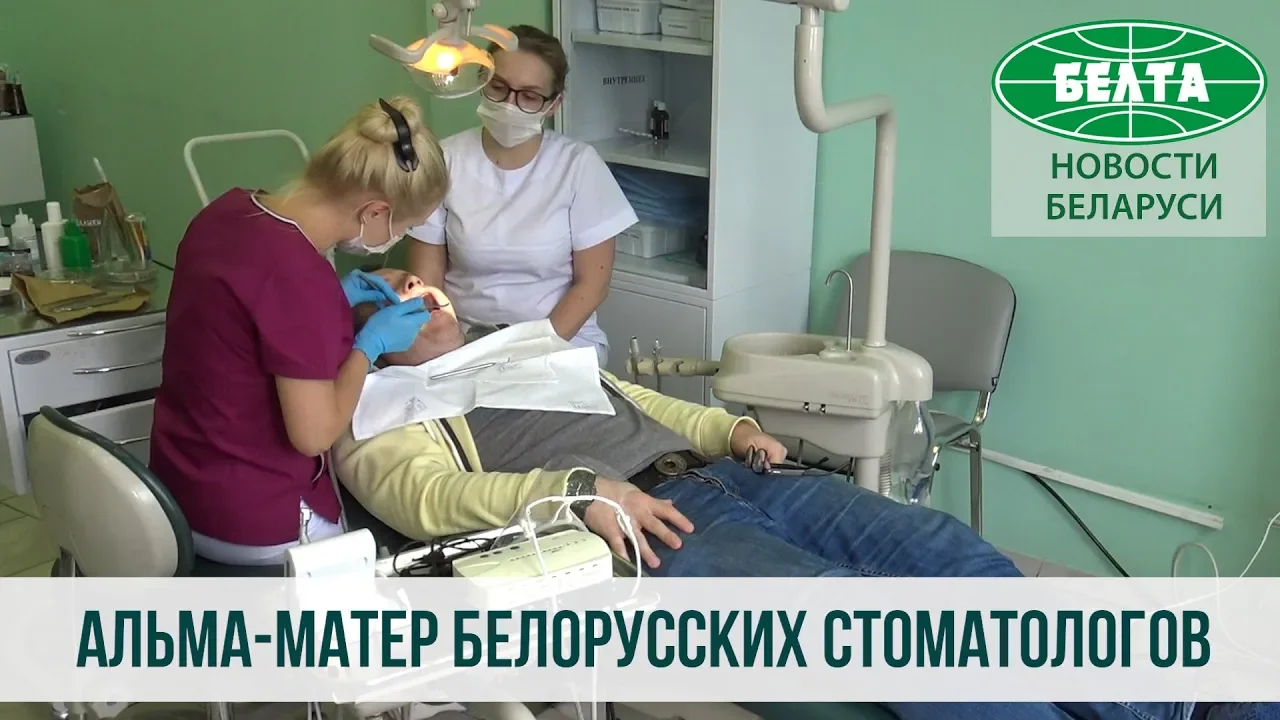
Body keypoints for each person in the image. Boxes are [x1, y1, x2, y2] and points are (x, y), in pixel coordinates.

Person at [332, 299, 1277, 720]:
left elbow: (643, 402)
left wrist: (733, 426)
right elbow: (433, 501)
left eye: (423, 284)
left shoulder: (516, 350)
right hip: (653, 531)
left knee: (950, 556)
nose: (422, 292)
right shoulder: (375, 414)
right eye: (397, 295)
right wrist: (582, 493)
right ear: (369, 334)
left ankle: (1180, 704)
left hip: (736, 475)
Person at [151, 96, 450, 567]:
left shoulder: (225, 212)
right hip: (249, 520)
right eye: (405, 226)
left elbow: (248, 323)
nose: (397, 241)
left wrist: (332, 303)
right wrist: (368, 345)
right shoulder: (300, 278)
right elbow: (314, 436)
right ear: (375, 211)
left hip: (176, 489)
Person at [405, 25, 637, 367]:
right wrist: (451, 350)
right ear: (482, 82)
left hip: (560, 343)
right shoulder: (445, 160)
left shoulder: (578, 166)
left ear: (554, 104)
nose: (510, 104)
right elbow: (427, 285)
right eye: (499, 87)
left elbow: (592, 286)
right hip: (464, 342)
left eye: (529, 96)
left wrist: (527, 353)